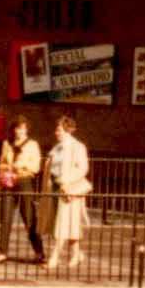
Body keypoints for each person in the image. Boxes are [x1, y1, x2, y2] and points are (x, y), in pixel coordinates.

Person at [0, 117, 46, 266]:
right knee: (5, 217)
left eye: (22, 128)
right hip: (9, 183)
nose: (19, 131)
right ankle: (2, 252)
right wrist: (6, 169)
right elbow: (1, 164)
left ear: (26, 129)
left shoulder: (32, 145)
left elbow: (35, 167)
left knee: (29, 218)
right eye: (17, 128)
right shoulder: (6, 144)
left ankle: (39, 252)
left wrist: (19, 166)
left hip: (24, 181)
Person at [46, 115, 91, 270]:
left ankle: (55, 256)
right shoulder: (57, 147)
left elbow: (83, 168)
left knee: (63, 223)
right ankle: (76, 254)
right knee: (71, 224)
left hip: (70, 189)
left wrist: (68, 181)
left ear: (66, 129)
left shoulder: (78, 147)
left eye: (58, 129)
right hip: (57, 188)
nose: (55, 132)